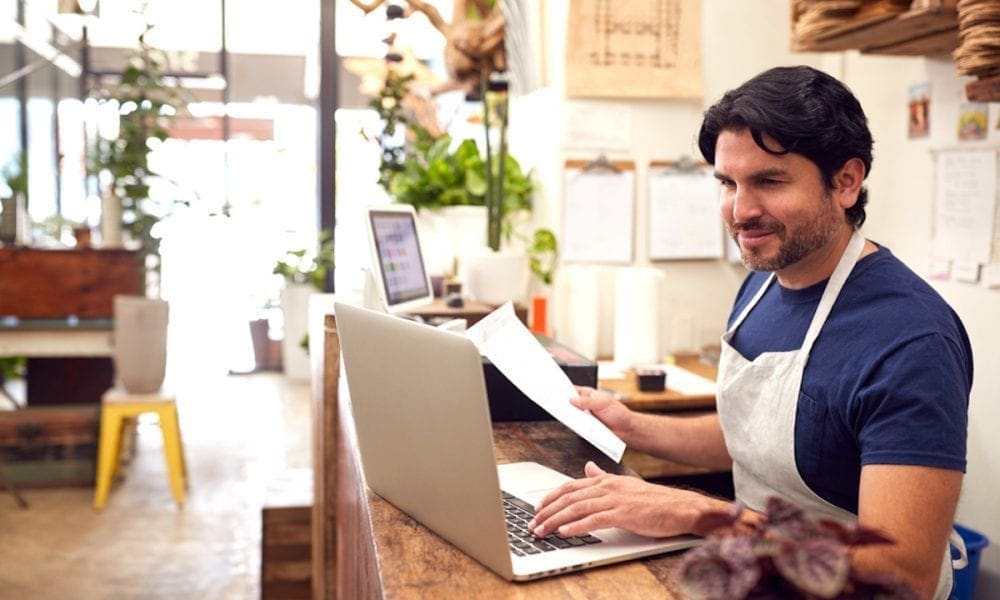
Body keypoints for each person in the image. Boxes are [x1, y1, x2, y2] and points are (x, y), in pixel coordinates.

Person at [529, 66, 971, 599]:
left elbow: (901, 573)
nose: (740, 212)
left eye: (769, 181)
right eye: (727, 183)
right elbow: (762, 436)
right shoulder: (763, 284)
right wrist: (632, 425)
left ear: (847, 182)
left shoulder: (911, 341)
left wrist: (702, 513)